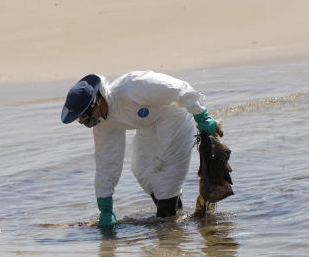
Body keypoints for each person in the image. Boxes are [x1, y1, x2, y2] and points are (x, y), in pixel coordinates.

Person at [60, 71, 221, 227]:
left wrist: (201, 114)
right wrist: (105, 207)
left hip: (175, 117)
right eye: (83, 120)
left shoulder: (132, 87)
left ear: (98, 100)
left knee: (166, 176)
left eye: (88, 115)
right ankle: (174, 217)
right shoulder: (103, 123)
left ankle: (168, 230)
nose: (90, 122)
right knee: (141, 170)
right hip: (148, 125)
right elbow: (106, 162)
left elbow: (178, 88)